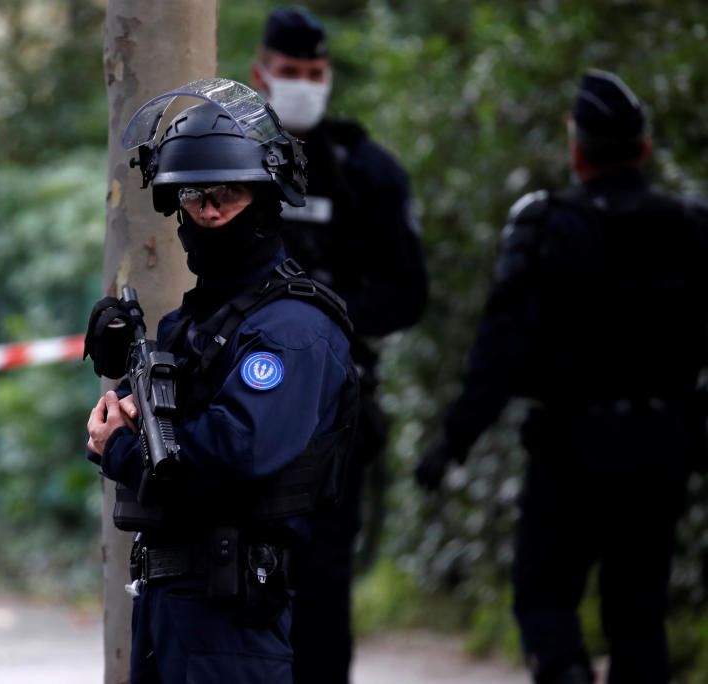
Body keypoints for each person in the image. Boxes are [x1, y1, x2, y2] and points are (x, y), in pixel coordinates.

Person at [415, 69, 708, 684]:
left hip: (571, 450)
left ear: (575, 148)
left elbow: (497, 351)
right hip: (660, 449)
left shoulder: (545, 225)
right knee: (639, 612)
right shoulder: (689, 226)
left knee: (545, 599)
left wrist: (452, 443)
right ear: (645, 148)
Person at [84, 79, 358, 683]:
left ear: (264, 199)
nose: (206, 212)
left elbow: (236, 453)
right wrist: (124, 409)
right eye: (193, 195)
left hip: (237, 618)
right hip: (170, 604)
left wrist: (123, 451)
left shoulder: (292, 329)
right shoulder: (195, 322)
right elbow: (173, 433)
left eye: (227, 195)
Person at [249, 7, 428, 682]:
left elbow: (409, 291)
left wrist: (321, 321)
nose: (303, 86)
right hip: (237, 405)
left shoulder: (366, 170)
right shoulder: (225, 157)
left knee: (322, 581)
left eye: (314, 74)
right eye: (290, 73)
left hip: (332, 410)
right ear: (258, 74)